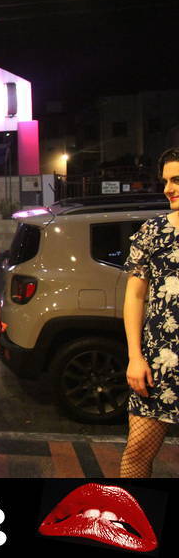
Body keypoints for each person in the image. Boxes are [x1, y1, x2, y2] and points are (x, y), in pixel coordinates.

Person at [119, 147, 179, 477]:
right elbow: (134, 296)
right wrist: (135, 357)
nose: (169, 188)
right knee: (137, 452)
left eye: (177, 180)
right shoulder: (153, 231)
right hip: (159, 362)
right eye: (166, 181)